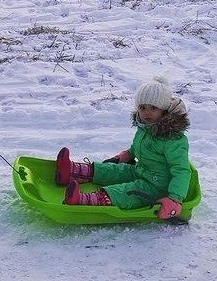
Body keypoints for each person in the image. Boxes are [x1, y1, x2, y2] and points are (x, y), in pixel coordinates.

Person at [56, 77, 191, 220]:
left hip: (158, 187)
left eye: (153, 108)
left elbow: (182, 170)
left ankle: (82, 200)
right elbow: (138, 147)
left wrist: (175, 199)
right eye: (142, 107)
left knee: (127, 192)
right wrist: (128, 154)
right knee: (115, 170)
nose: (147, 113)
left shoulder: (173, 140)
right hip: (141, 170)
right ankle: (72, 171)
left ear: (163, 110)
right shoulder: (145, 128)